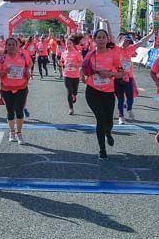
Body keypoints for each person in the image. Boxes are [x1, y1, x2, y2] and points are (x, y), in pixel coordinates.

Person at [82, 29, 124, 159]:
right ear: (94, 39)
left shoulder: (113, 55)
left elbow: (121, 73)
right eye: (98, 37)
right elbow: (83, 68)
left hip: (108, 93)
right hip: (92, 92)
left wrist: (110, 74)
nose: (101, 40)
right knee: (100, 119)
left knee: (109, 121)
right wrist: (82, 76)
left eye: (103, 37)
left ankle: (108, 133)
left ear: (107, 39)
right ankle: (102, 149)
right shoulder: (89, 54)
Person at [0, 37, 32, 144]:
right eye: (9, 45)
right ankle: (12, 132)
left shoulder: (23, 56)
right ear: (6, 46)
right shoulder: (2, 58)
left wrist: (27, 72)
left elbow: (28, 66)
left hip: (21, 88)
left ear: (17, 47)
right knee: (10, 111)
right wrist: (5, 71)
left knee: (19, 111)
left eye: (13, 45)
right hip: (6, 89)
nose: (11, 47)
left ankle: (19, 133)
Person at [116, 30, 154, 124]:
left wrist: (151, 33)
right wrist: (107, 23)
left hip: (129, 77)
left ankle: (129, 109)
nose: (127, 43)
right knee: (120, 99)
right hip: (118, 78)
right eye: (125, 41)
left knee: (130, 97)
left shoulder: (130, 49)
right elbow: (110, 39)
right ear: (121, 40)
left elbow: (142, 42)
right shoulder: (116, 49)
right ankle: (121, 116)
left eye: (128, 42)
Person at [60, 34, 83, 115]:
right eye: (67, 43)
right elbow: (61, 61)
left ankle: (74, 95)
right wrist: (61, 63)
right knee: (69, 91)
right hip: (66, 75)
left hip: (75, 75)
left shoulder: (77, 53)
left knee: (74, 91)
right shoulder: (64, 53)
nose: (68, 45)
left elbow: (81, 63)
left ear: (73, 44)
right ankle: (71, 108)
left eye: (70, 43)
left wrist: (74, 65)